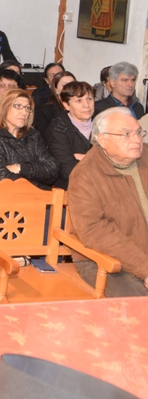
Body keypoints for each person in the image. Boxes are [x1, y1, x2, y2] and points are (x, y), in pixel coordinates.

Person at [68, 108, 148, 297]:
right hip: (105, 259)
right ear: (102, 140)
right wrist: (144, 267)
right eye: (126, 134)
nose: (137, 139)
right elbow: (94, 231)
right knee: (141, 303)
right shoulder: (85, 174)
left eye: (138, 132)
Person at [0, 88, 59, 190]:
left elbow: (53, 170)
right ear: (3, 107)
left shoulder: (33, 136)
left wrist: (20, 168)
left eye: (27, 108)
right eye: (18, 106)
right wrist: (40, 187)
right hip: (6, 198)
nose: (24, 112)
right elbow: (2, 177)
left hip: (37, 198)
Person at [46, 81, 96, 189]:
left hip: (104, 186)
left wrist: (84, 158)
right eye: (79, 101)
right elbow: (69, 171)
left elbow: (118, 162)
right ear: (66, 105)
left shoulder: (104, 124)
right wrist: (99, 161)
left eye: (89, 99)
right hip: (72, 189)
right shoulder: (58, 130)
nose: (86, 105)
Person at [33, 70, 76, 137]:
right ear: (56, 90)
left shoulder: (82, 109)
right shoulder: (44, 111)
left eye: (73, 85)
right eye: (64, 85)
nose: (69, 88)